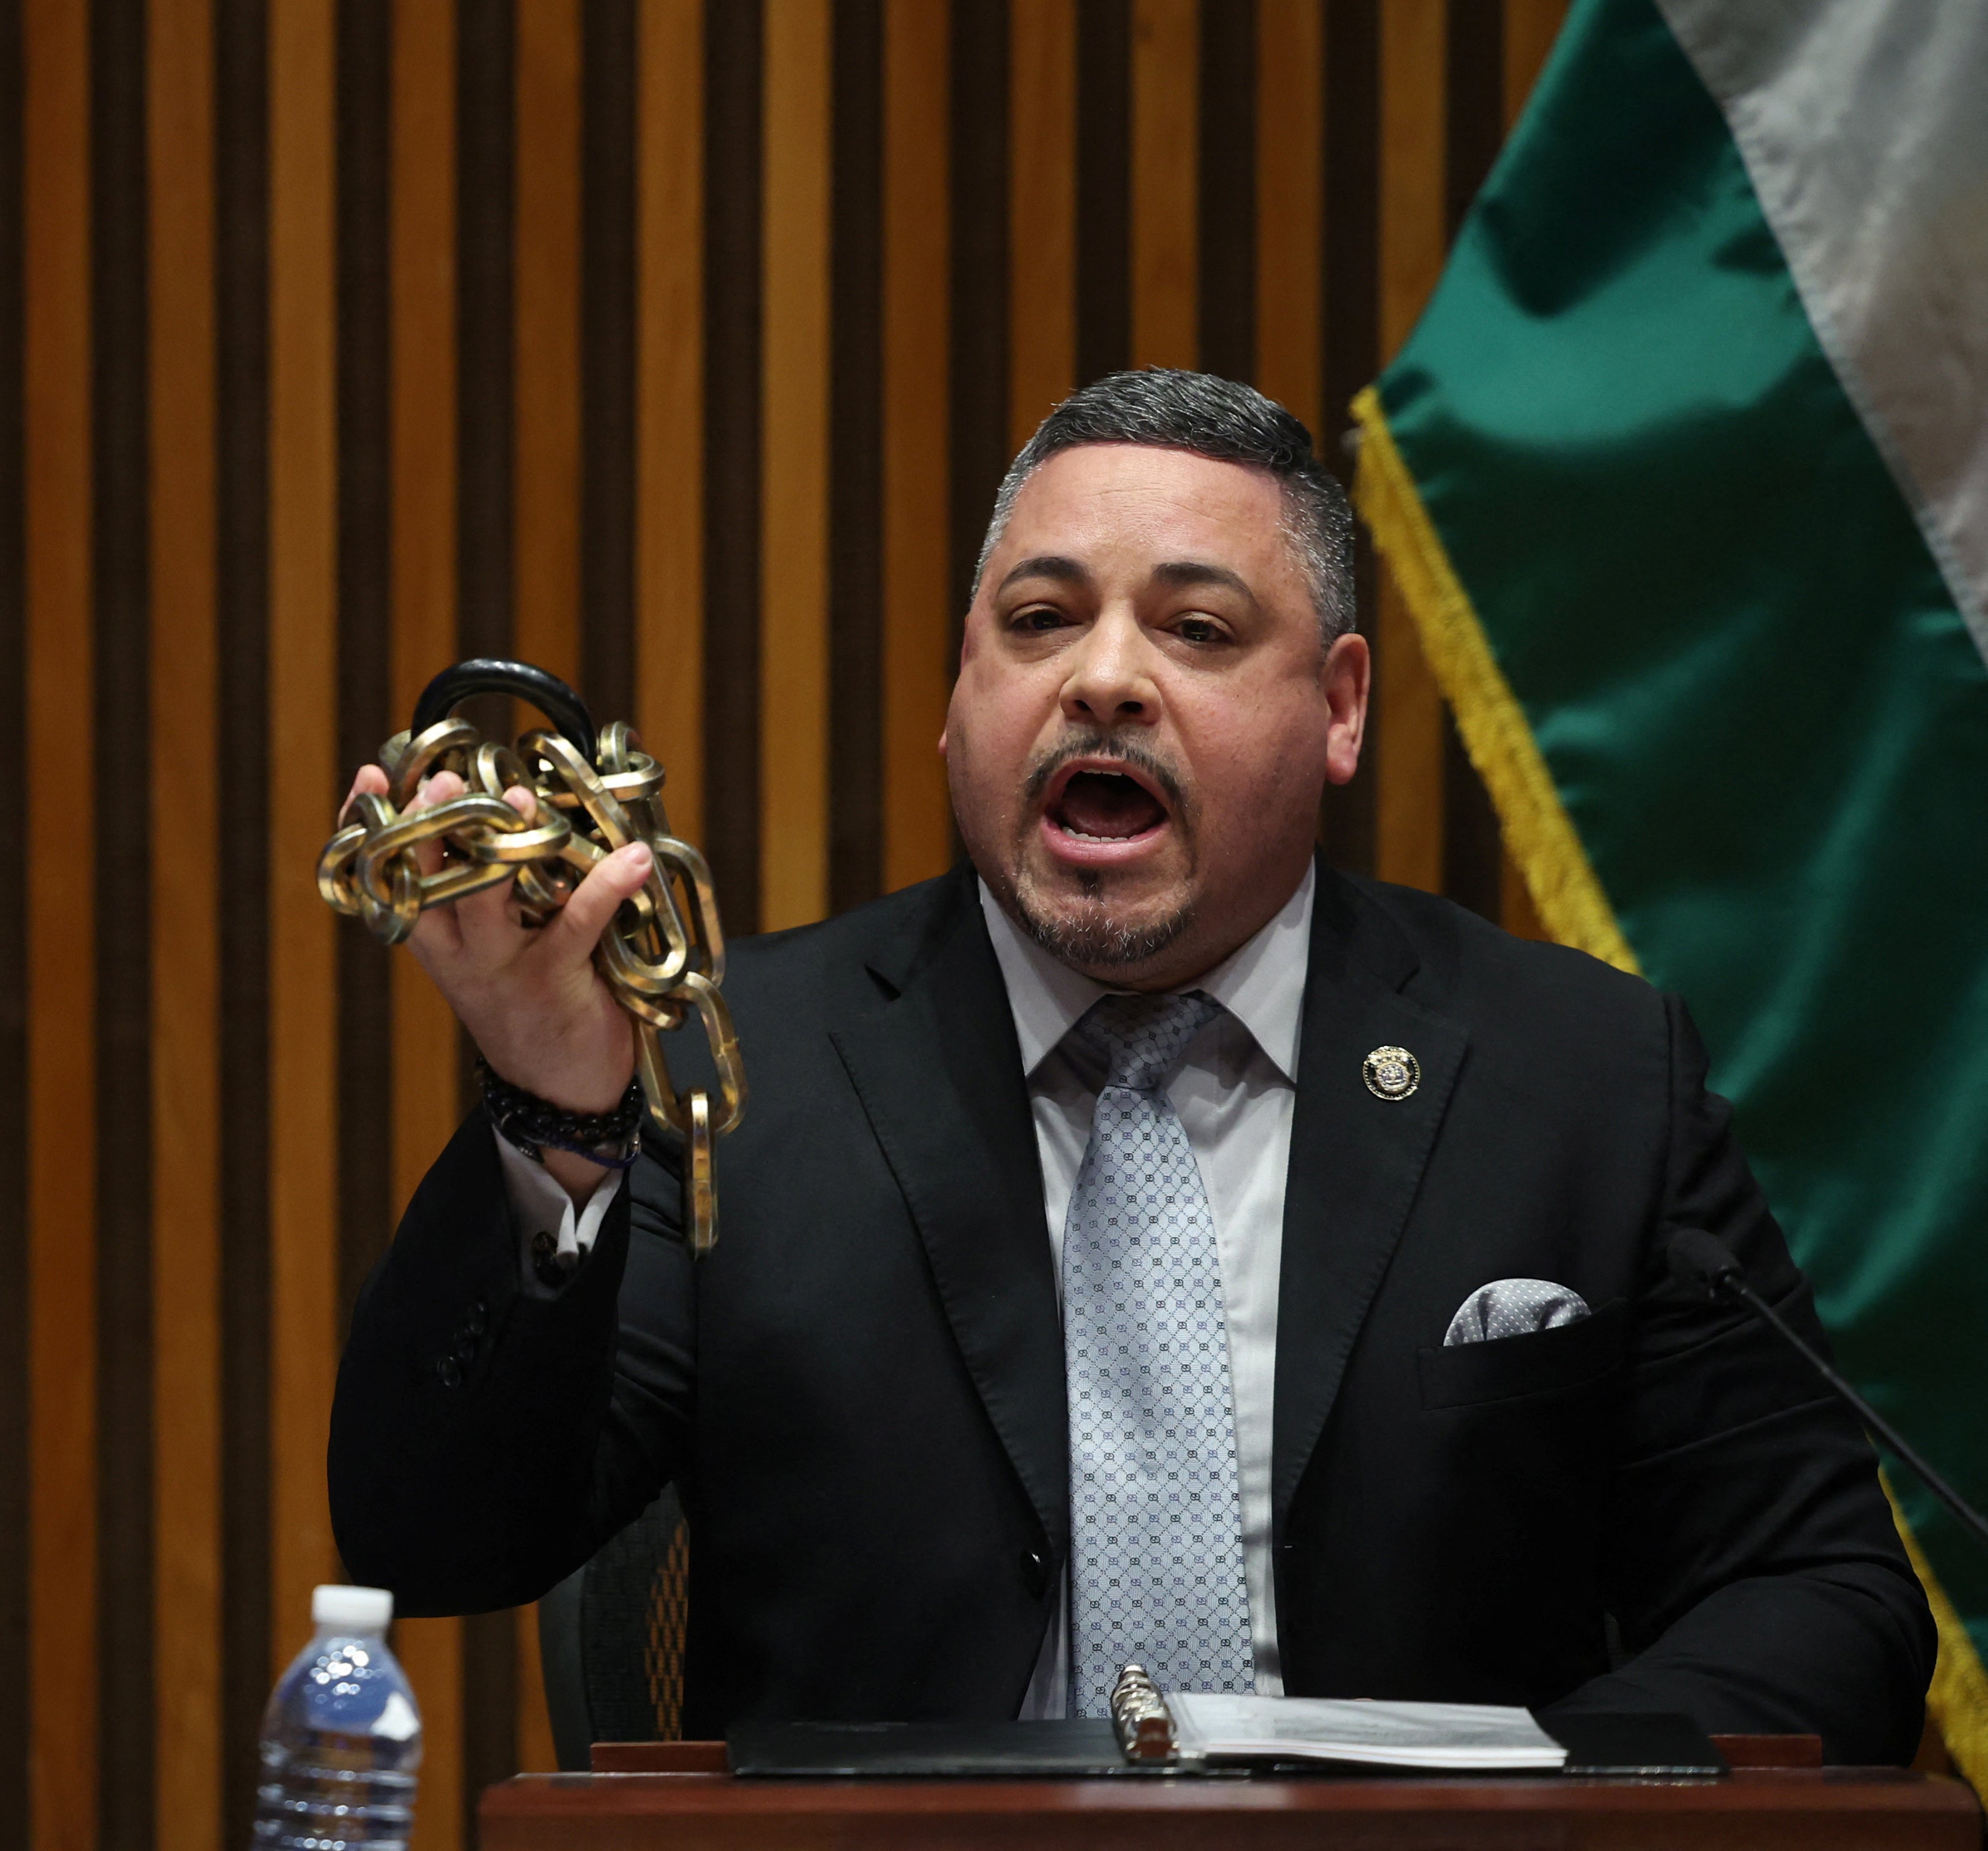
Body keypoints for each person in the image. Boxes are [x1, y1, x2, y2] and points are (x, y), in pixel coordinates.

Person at [328, 369, 1935, 1757]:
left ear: (1338, 703)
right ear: (959, 700)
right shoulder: (740, 1075)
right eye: (1035, 621)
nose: (1099, 675)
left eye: (1193, 625)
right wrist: (554, 1118)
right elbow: (436, 1536)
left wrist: (1505, 1815)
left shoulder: (1579, 1078)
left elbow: (1817, 1595)